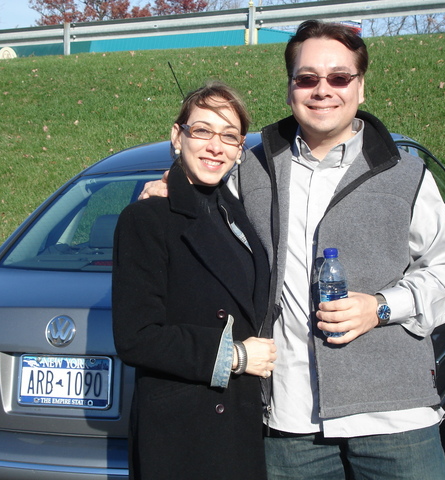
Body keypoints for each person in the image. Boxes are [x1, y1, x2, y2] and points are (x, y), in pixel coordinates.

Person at [141, 20, 445, 480]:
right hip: (289, 422)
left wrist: (380, 307)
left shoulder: (405, 174)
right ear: (290, 87)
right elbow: (204, 196)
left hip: (393, 415)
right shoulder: (251, 167)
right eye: (307, 78)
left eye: (339, 78)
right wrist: (168, 191)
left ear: (361, 88)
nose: (323, 90)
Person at [112, 81, 277, 480]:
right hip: (183, 434)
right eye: (202, 130)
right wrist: (234, 357)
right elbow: (137, 336)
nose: (215, 146)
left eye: (229, 136)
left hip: (238, 422)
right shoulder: (146, 219)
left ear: (239, 150)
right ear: (177, 136)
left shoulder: (232, 211)